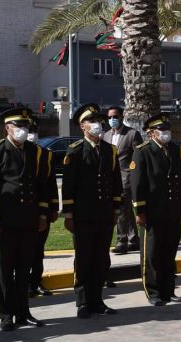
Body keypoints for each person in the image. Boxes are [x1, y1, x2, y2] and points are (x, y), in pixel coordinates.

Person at [62, 103, 122, 319]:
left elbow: (116, 183)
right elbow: (68, 186)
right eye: (92, 121)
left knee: (101, 258)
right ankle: (83, 302)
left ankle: (97, 300)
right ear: (82, 126)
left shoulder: (110, 150)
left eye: (99, 121)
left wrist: (116, 209)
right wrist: (68, 215)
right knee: (84, 259)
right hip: (83, 216)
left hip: (104, 214)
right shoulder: (76, 150)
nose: (97, 125)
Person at [0, 108, 49, 330]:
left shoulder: (34, 151)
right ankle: (6, 314)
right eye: (19, 126)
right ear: (8, 128)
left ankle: (23, 312)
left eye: (25, 126)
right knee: (5, 270)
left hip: (29, 220)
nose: (23, 130)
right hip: (5, 222)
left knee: (24, 268)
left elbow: (42, 185)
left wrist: (43, 214)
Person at [131, 113, 181, 306]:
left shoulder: (175, 149)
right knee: (152, 254)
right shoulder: (143, 151)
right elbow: (137, 184)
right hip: (152, 212)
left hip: (172, 210)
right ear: (152, 133)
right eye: (162, 130)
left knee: (169, 252)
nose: (166, 133)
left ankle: (168, 290)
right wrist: (140, 211)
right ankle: (153, 291)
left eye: (167, 129)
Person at [103, 106, 142, 254]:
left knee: (121, 210)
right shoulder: (106, 135)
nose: (112, 119)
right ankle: (134, 240)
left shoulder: (132, 134)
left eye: (115, 116)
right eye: (110, 117)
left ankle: (122, 241)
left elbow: (138, 158)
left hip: (126, 179)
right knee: (127, 210)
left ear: (121, 116)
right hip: (111, 180)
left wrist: (134, 176)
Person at [26, 116, 57, 297]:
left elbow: (50, 183)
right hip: (20, 211)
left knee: (38, 250)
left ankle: (36, 282)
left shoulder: (45, 154)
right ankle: (22, 283)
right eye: (29, 130)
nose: (31, 134)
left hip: (42, 209)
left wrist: (54, 207)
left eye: (34, 131)